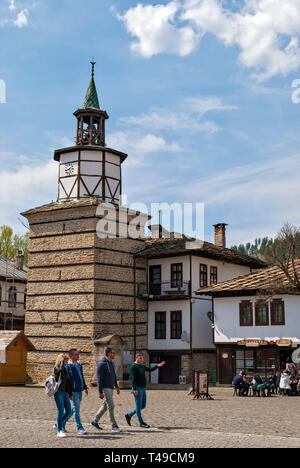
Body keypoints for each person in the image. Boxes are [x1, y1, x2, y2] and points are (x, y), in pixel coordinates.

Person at [125, 353, 165, 428]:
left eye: (142, 358)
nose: (142, 359)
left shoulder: (142, 366)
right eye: (140, 358)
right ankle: (141, 422)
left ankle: (129, 415)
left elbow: (149, 369)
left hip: (143, 388)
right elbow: (133, 379)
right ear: (136, 358)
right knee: (138, 406)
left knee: (143, 406)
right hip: (137, 388)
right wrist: (135, 389)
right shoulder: (133, 367)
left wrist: (157, 366)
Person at [91, 347, 121, 433]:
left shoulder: (112, 363)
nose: (114, 354)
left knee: (105, 406)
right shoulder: (102, 364)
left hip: (111, 388)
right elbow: (99, 379)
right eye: (112, 353)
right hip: (105, 388)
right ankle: (114, 425)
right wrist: (100, 392)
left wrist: (116, 386)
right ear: (108, 354)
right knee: (111, 405)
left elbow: (114, 376)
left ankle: (95, 421)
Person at [66, 349, 88, 435]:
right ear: (71, 356)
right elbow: (68, 382)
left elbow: (81, 376)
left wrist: (85, 387)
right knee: (77, 410)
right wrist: (70, 393)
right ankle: (80, 428)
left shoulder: (79, 365)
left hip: (80, 389)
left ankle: (60, 423)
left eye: (78, 354)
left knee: (73, 410)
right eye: (76, 354)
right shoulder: (68, 367)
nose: (78, 356)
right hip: (73, 391)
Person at [53, 354, 73, 438]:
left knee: (69, 411)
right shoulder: (56, 368)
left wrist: (70, 393)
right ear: (60, 359)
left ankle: (58, 424)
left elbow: (68, 382)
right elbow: (59, 370)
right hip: (58, 392)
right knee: (60, 411)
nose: (66, 360)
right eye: (64, 358)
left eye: (66, 358)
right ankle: (59, 431)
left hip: (65, 393)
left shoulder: (66, 368)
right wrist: (61, 362)